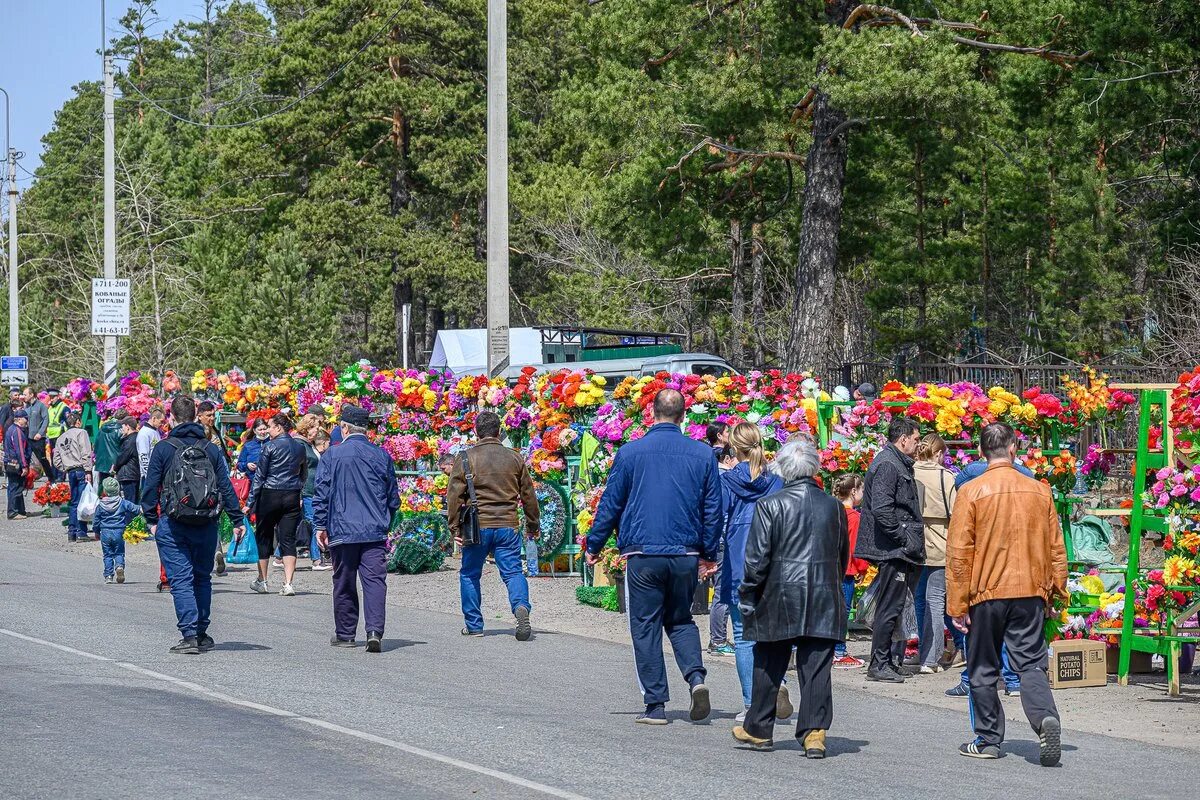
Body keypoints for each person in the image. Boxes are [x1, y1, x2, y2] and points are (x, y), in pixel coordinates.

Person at [585, 388, 722, 726]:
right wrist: (708, 553)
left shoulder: (631, 453)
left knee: (645, 625)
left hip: (644, 551)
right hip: (685, 552)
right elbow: (713, 509)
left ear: (652, 412)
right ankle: (695, 679)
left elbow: (611, 503)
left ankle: (656, 704)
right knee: (681, 619)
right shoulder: (703, 455)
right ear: (683, 416)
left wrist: (594, 545)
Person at [947, 423, 1067, 766]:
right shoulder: (1040, 491)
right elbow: (1056, 548)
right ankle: (1045, 716)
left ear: (982, 452)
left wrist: (957, 605)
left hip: (985, 592)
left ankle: (988, 739)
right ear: (1014, 448)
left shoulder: (970, 491)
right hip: (1030, 591)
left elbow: (959, 554)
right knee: (1030, 663)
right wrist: (1057, 592)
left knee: (983, 667)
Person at [730, 438, 849, 758]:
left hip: (779, 595)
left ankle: (758, 728)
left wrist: (748, 594)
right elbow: (842, 557)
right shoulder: (834, 507)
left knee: (769, 662)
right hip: (824, 594)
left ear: (783, 468)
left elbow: (756, 560)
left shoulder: (770, 505)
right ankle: (814, 732)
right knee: (816, 668)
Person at [142, 395, 245, 655]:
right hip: (206, 522)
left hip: (174, 521)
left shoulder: (164, 448)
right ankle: (201, 632)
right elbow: (225, 485)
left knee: (180, 579)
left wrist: (151, 520)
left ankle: (188, 634)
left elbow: (150, 486)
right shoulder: (210, 448)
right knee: (202, 577)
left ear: (172, 418)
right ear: (196, 416)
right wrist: (237, 519)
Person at [447, 410, 540, 640]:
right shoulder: (515, 458)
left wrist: (454, 528)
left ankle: (475, 625)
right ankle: (520, 606)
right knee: (513, 572)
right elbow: (528, 495)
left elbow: (454, 496)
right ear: (499, 431)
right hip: (508, 524)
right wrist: (533, 525)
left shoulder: (466, 457)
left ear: (476, 432)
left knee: (470, 574)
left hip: (478, 526)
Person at [313, 405, 399, 653]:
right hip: (373, 530)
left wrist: (321, 525)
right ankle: (374, 631)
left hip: (342, 528)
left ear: (344, 427)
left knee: (344, 581)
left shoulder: (332, 455)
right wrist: (385, 521)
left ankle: (346, 633)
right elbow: (392, 498)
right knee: (374, 582)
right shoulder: (381, 456)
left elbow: (322, 493)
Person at [720, 423, 786, 721]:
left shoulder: (728, 481)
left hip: (739, 560)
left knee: (742, 635)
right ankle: (778, 684)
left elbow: (717, 518)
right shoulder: (776, 481)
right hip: (772, 560)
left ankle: (750, 703)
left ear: (734, 447)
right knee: (770, 633)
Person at [854, 416, 925, 683]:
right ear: (903, 438)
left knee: (894, 606)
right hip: (892, 549)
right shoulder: (888, 464)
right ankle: (879, 663)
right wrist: (903, 538)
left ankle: (886, 662)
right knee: (889, 607)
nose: (918, 444)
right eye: (916, 439)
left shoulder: (895, 462)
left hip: (896, 548)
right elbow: (882, 509)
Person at [913, 434, 957, 674]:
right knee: (936, 600)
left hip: (915, 543)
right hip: (941, 542)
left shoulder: (910, 472)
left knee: (920, 600)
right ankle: (931, 657)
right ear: (939, 454)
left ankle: (923, 652)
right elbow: (955, 511)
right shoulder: (945, 476)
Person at [249, 412, 307, 596]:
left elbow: (260, 476)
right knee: (288, 538)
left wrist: (250, 501)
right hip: (291, 494)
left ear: (279, 428)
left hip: (270, 494)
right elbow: (303, 474)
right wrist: (298, 489)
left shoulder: (269, 447)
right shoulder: (299, 447)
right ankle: (288, 583)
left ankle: (263, 580)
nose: (267, 430)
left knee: (264, 536)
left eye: (270, 426)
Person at [832, 474, 868, 669]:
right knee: (843, 611)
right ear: (853, 492)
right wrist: (862, 567)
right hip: (847, 569)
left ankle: (833, 649)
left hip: (830, 567)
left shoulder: (832, 511)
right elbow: (855, 547)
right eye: (861, 490)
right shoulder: (854, 517)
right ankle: (839, 651)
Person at [52, 412, 94, 543]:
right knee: (83, 502)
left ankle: (72, 532)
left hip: (70, 471)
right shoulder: (81, 433)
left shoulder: (61, 437)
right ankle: (82, 531)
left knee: (74, 502)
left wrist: (65, 467)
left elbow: (56, 460)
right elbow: (86, 452)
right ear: (78, 422)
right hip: (81, 469)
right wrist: (88, 470)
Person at [94, 476, 139, 584]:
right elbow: (136, 509)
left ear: (104, 491)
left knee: (107, 554)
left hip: (105, 531)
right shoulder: (122, 502)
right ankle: (119, 566)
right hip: (119, 531)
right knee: (119, 552)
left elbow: (96, 520)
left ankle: (108, 575)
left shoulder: (100, 505)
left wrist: (96, 531)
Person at [23, 387, 53, 485]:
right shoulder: (26, 407)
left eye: (25, 394)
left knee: (42, 459)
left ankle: (51, 478)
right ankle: (26, 481)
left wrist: (40, 433)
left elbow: (46, 420)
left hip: (38, 438)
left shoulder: (41, 406)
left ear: (31, 395)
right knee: (26, 459)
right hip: (28, 438)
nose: (24, 396)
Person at [4, 410, 31, 519]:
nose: (27, 421)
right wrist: (24, 465)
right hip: (15, 463)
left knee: (16, 486)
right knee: (15, 487)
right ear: (19, 419)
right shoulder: (17, 431)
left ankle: (20, 510)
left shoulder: (10, 429)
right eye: (25, 419)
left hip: (9, 462)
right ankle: (13, 512)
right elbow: (19, 450)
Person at [112, 416, 141, 502]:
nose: (122, 428)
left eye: (123, 426)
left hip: (128, 475)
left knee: (129, 502)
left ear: (127, 426)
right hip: (132, 474)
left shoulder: (130, 440)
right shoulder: (133, 438)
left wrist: (114, 467)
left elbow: (123, 457)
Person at [45, 388, 70, 482]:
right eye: (50, 397)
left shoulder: (64, 407)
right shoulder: (50, 408)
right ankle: (54, 475)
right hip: (51, 436)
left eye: (53, 397)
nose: (51, 399)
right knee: (53, 456)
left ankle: (61, 475)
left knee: (61, 456)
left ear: (58, 397)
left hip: (61, 435)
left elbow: (68, 422)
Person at [95, 411, 126, 481]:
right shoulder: (121, 430)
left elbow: (96, 446)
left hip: (102, 462)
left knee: (103, 485)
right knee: (114, 487)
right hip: (115, 463)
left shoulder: (102, 428)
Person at [138, 408, 164, 481]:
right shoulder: (144, 433)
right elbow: (143, 456)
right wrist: (148, 476)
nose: (162, 424)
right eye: (161, 421)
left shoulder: (155, 431)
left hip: (156, 473)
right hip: (149, 476)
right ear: (154, 418)